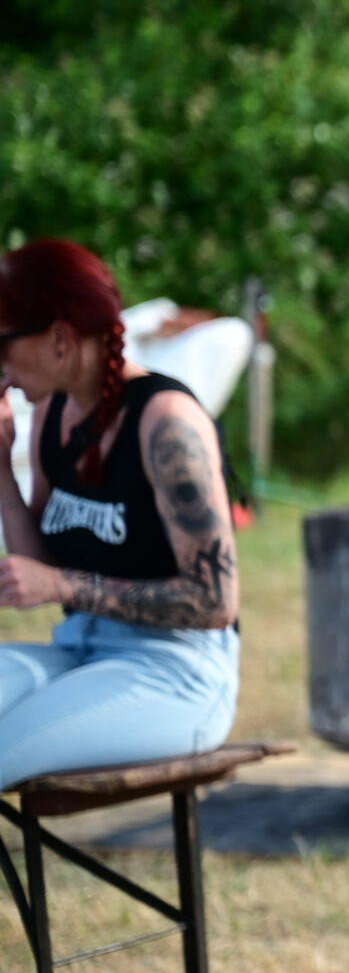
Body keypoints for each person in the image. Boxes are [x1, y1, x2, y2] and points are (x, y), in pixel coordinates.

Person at [0, 239, 241, 786]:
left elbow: (214, 601)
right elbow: (40, 566)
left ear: (59, 339)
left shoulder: (167, 423)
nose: (2, 369)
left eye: (3, 344)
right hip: (81, 650)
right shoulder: (52, 412)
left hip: (177, 672)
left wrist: (62, 585)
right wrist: (1, 471)